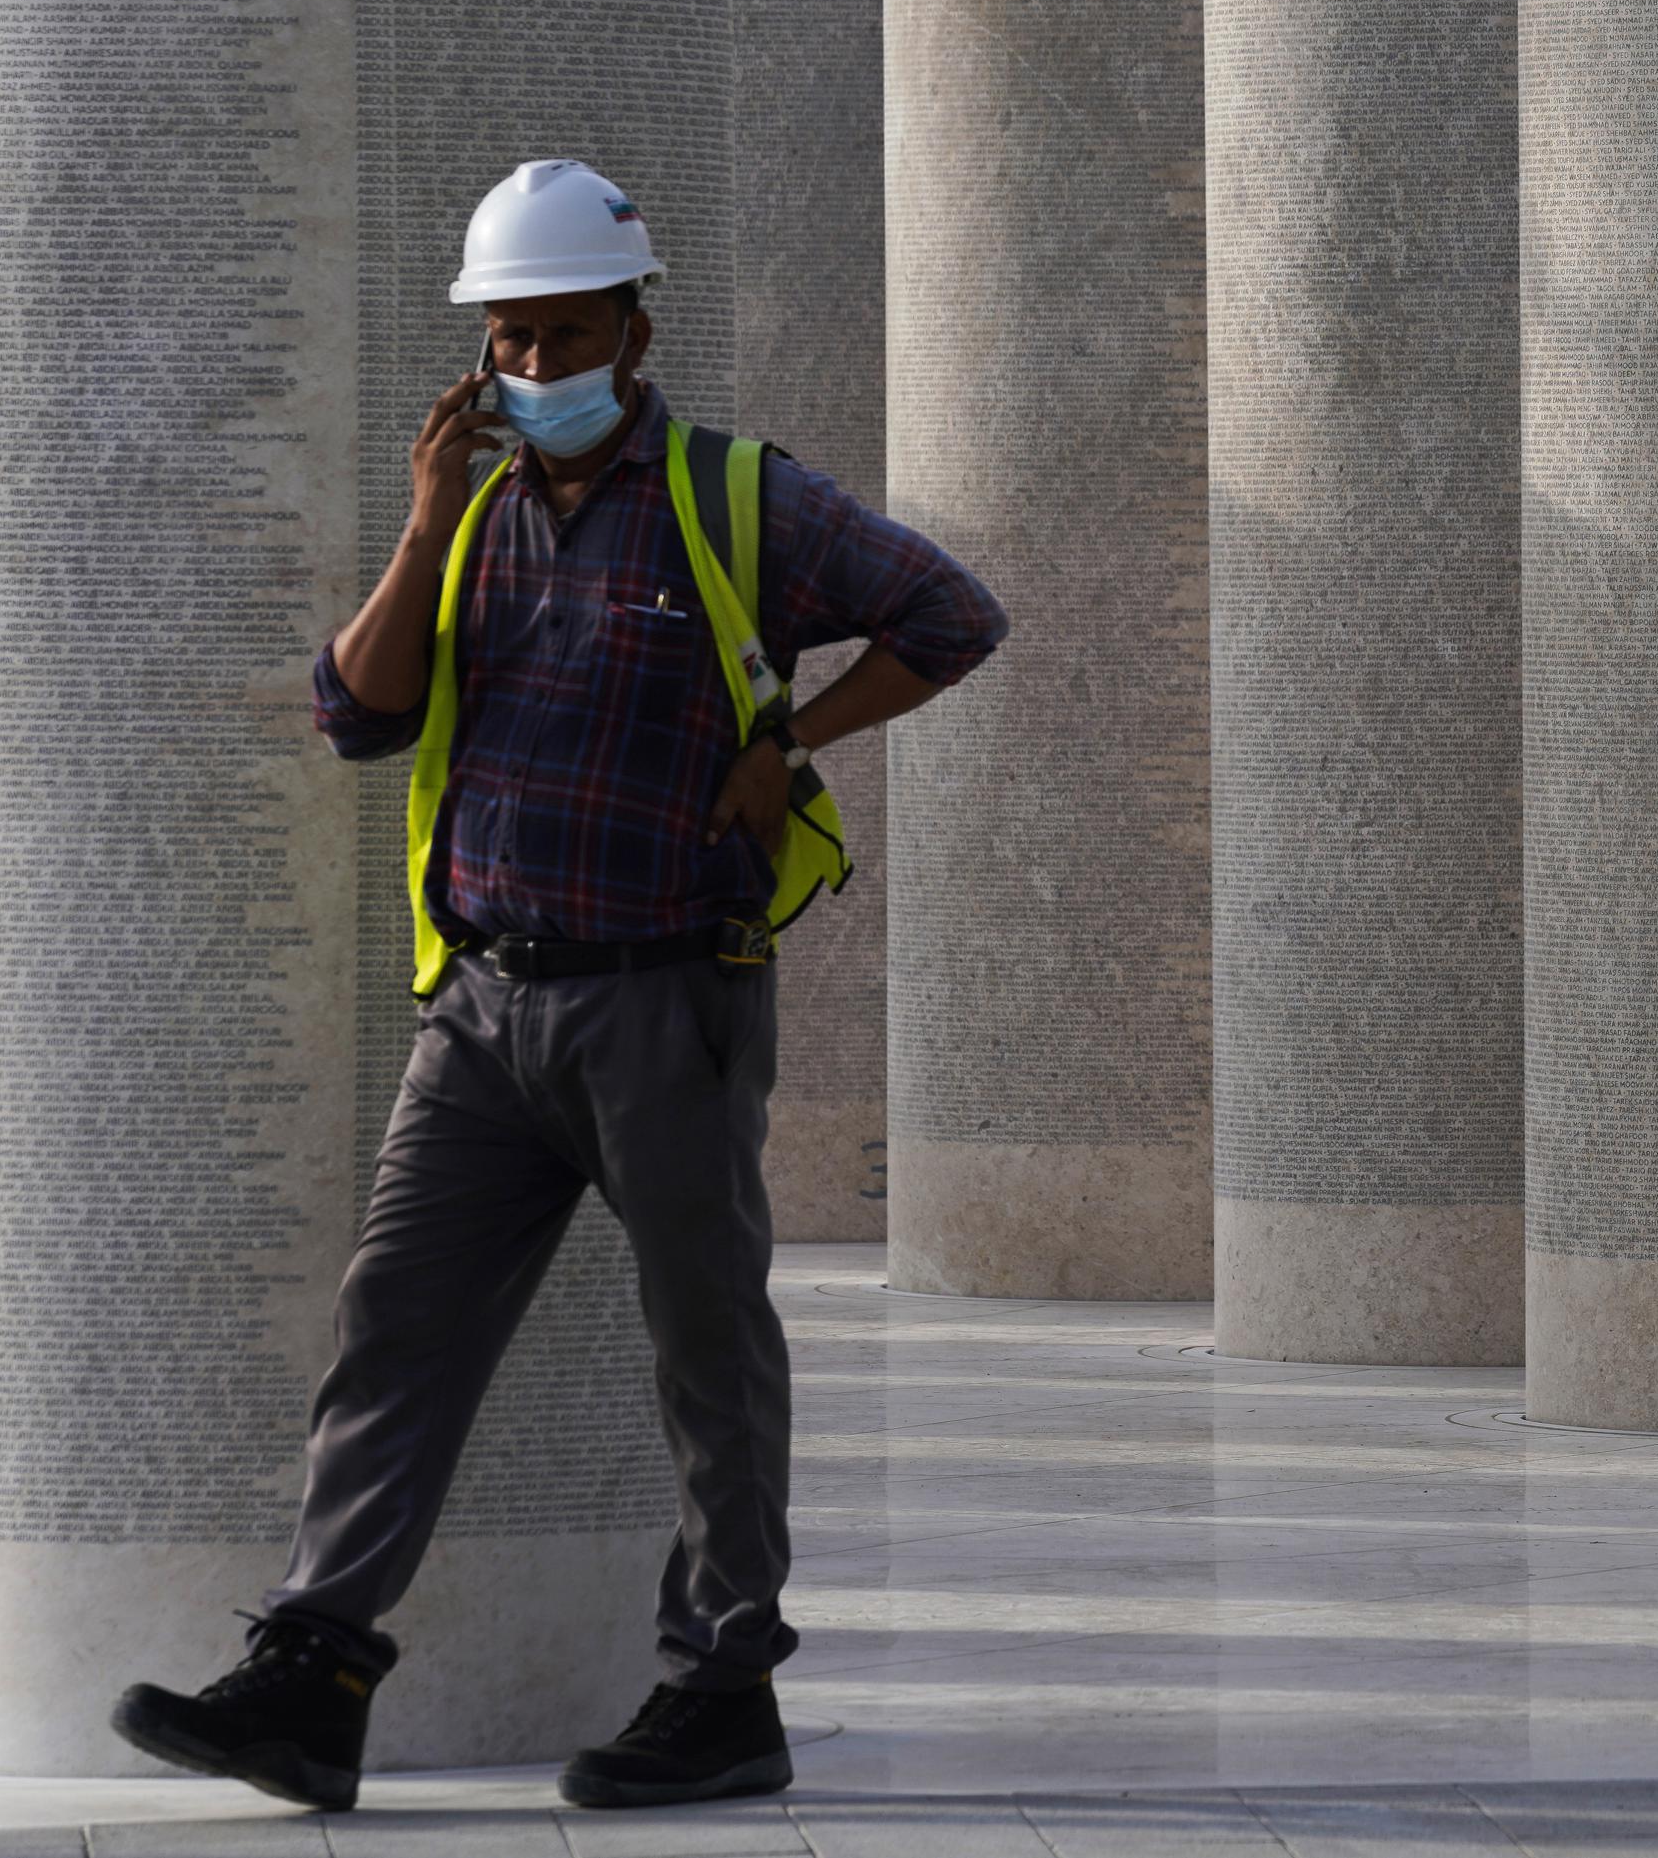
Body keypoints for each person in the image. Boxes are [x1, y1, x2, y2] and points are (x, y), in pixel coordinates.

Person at [106, 160, 1007, 1813]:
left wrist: (790, 737)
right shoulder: (471, 515)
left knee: (706, 1344)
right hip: (483, 1010)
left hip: (667, 996)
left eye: (565, 332)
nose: (536, 367)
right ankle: (313, 1674)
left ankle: (723, 1684)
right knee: (394, 1329)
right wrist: (423, 516)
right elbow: (355, 715)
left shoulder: (740, 497)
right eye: (510, 339)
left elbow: (952, 613)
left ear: (634, 325)